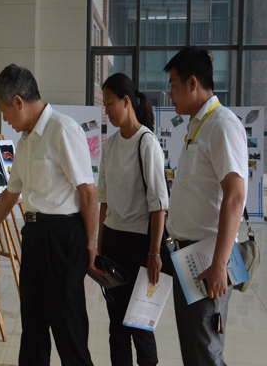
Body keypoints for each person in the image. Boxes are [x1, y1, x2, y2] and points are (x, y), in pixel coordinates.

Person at [0, 64, 101, 366]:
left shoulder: (63, 130)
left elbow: (88, 192)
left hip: (64, 238)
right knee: (33, 326)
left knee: (68, 328)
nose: (6, 120)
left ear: (19, 101)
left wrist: (91, 246)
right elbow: (10, 195)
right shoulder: (25, 141)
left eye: (5, 111)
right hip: (35, 237)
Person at [163, 47, 247, 366]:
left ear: (192, 83)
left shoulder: (221, 125)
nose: (170, 94)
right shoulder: (197, 125)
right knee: (193, 348)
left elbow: (235, 195)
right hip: (187, 256)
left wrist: (220, 265)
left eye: (173, 85)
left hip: (207, 257)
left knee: (206, 350)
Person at [98, 73, 168, 366]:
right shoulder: (110, 145)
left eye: (110, 103)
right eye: (104, 104)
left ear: (126, 102)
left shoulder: (147, 143)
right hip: (113, 242)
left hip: (140, 246)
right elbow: (103, 201)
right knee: (117, 328)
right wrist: (99, 249)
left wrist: (154, 253)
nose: (107, 110)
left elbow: (158, 206)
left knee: (140, 325)